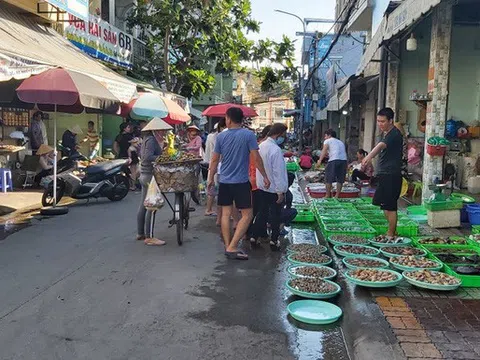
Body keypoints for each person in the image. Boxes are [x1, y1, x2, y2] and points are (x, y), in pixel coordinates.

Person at [208, 107, 270, 260]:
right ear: (241, 120)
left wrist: (210, 177)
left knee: (226, 214)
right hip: (241, 182)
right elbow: (256, 158)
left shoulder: (221, 137)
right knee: (247, 214)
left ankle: (228, 246)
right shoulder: (248, 135)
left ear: (228, 119)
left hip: (224, 181)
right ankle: (233, 246)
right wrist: (265, 176)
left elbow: (215, 159)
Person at [362, 108, 403, 237]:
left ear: (391, 121)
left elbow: (380, 146)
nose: (380, 124)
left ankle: (391, 233)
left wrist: (369, 157)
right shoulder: (388, 133)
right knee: (384, 205)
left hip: (391, 174)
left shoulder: (393, 134)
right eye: (378, 121)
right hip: (385, 174)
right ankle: (392, 231)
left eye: (383, 121)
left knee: (390, 206)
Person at [137, 118, 171, 246]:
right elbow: (147, 157)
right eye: (162, 130)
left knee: (143, 205)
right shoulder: (151, 140)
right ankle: (149, 237)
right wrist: (161, 157)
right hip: (149, 175)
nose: (164, 132)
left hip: (145, 174)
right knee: (152, 205)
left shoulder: (148, 139)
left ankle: (141, 233)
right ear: (156, 129)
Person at [254, 123, 289, 250]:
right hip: (274, 188)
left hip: (262, 186)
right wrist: (280, 191)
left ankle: (254, 237)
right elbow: (278, 172)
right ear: (278, 134)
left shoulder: (261, 146)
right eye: (283, 135)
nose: (284, 137)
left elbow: (258, 166)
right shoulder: (275, 150)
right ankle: (274, 240)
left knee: (262, 213)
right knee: (275, 215)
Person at [247, 125, 271, 244]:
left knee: (255, 210)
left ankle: (254, 233)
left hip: (252, 181)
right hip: (256, 182)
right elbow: (258, 164)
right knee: (260, 210)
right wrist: (266, 177)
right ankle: (255, 234)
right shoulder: (258, 147)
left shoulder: (256, 146)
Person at [203, 119, 226, 217]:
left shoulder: (210, 137)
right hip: (218, 165)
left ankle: (209, 209)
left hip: (212, 164)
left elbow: (208, 153)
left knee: (212, 189)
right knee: (218, 190)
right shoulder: (219, 138)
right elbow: (218, 155)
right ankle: (215, 212)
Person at [317, 129, 347, 198]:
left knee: (328, 178)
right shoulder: (340, 142)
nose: (325, 138)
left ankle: (327, 195)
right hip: (343, 161)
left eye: (325, 136)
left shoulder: (328, 141)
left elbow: (324, 151)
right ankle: (337, 195)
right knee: (340, 178)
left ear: (329, 135)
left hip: (334, 160)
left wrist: (319, 160)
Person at [279, 172, 298, 236]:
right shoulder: (288, 195)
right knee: (294, 211)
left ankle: (269, 224)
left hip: (266, 214)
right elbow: (288, 208)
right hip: (275, 214)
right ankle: (280, 228)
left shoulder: (275, 187)